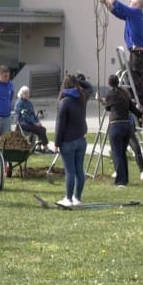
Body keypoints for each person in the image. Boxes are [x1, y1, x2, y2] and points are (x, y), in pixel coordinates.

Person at [101, 0, 143, 105]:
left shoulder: (135, 12)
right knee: (128, 77)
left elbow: (119, 5)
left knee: (134, 78)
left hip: (139, 53)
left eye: (131, 2)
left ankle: (140, 104)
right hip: (135, 52)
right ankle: (133, 99)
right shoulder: (130, 16)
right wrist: (105, 3)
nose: (129, 3)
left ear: (136, 5)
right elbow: (117, 12)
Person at [54, 74, 90, 207]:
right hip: (81, 139)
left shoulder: (64, 102)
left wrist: (57, 143)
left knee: (70, 171)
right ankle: (77, 198)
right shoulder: (82, 97)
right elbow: (90, 87)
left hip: (68, 141)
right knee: (79, 170)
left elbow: (60, 125)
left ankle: (68, 199)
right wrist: (78, 81)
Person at [97, 75, 133, 188]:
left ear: (109, 83)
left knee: (116, 154)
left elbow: (108, 107)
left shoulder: (111, 94)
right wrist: (141, 115)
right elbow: (132, 108)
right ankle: (125, 178)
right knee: (122, 153)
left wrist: (99, 100)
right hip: (127, 126)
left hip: (116, 125)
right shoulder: (124, 94)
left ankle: (121, 181)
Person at [13, 85, 49, 153]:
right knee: (40, 130)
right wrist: (34, 123)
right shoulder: (19, 103)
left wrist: (38, 121)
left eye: (28, 93)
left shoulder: (29, 102)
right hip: (23, 123)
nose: (27, 95)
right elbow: (24, 116)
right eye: (26, 93)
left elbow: (33, 114)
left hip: (30, 123)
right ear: (22, 93)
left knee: (43, 129)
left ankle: (39, 147)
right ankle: (45, 147)